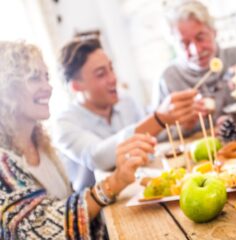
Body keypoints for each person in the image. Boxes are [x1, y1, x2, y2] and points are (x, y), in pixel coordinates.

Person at [0, 41, 156, 239]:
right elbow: (42, 229)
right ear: (5, 90)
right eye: (34, 78)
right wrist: (115, 182)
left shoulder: (42, 145)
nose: (47, 87)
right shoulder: (3, 164)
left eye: (46, 77)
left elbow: (70, 204)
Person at [53, 38, 198, 191]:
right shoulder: (64, 123)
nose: (113, 78)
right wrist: (158, 119)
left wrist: (182, 125)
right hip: (100, 209)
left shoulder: (126, 101)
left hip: (139, 190)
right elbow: (97, 157)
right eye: (101, 74)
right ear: (76, 86)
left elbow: (151, 138)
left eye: (111, 68)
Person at [153, 0, 236, 133]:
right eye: (184, 44)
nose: (196, 50)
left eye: (200, 37)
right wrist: (182, 126)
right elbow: (156, 134)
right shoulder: (168, 79)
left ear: (214, 32)